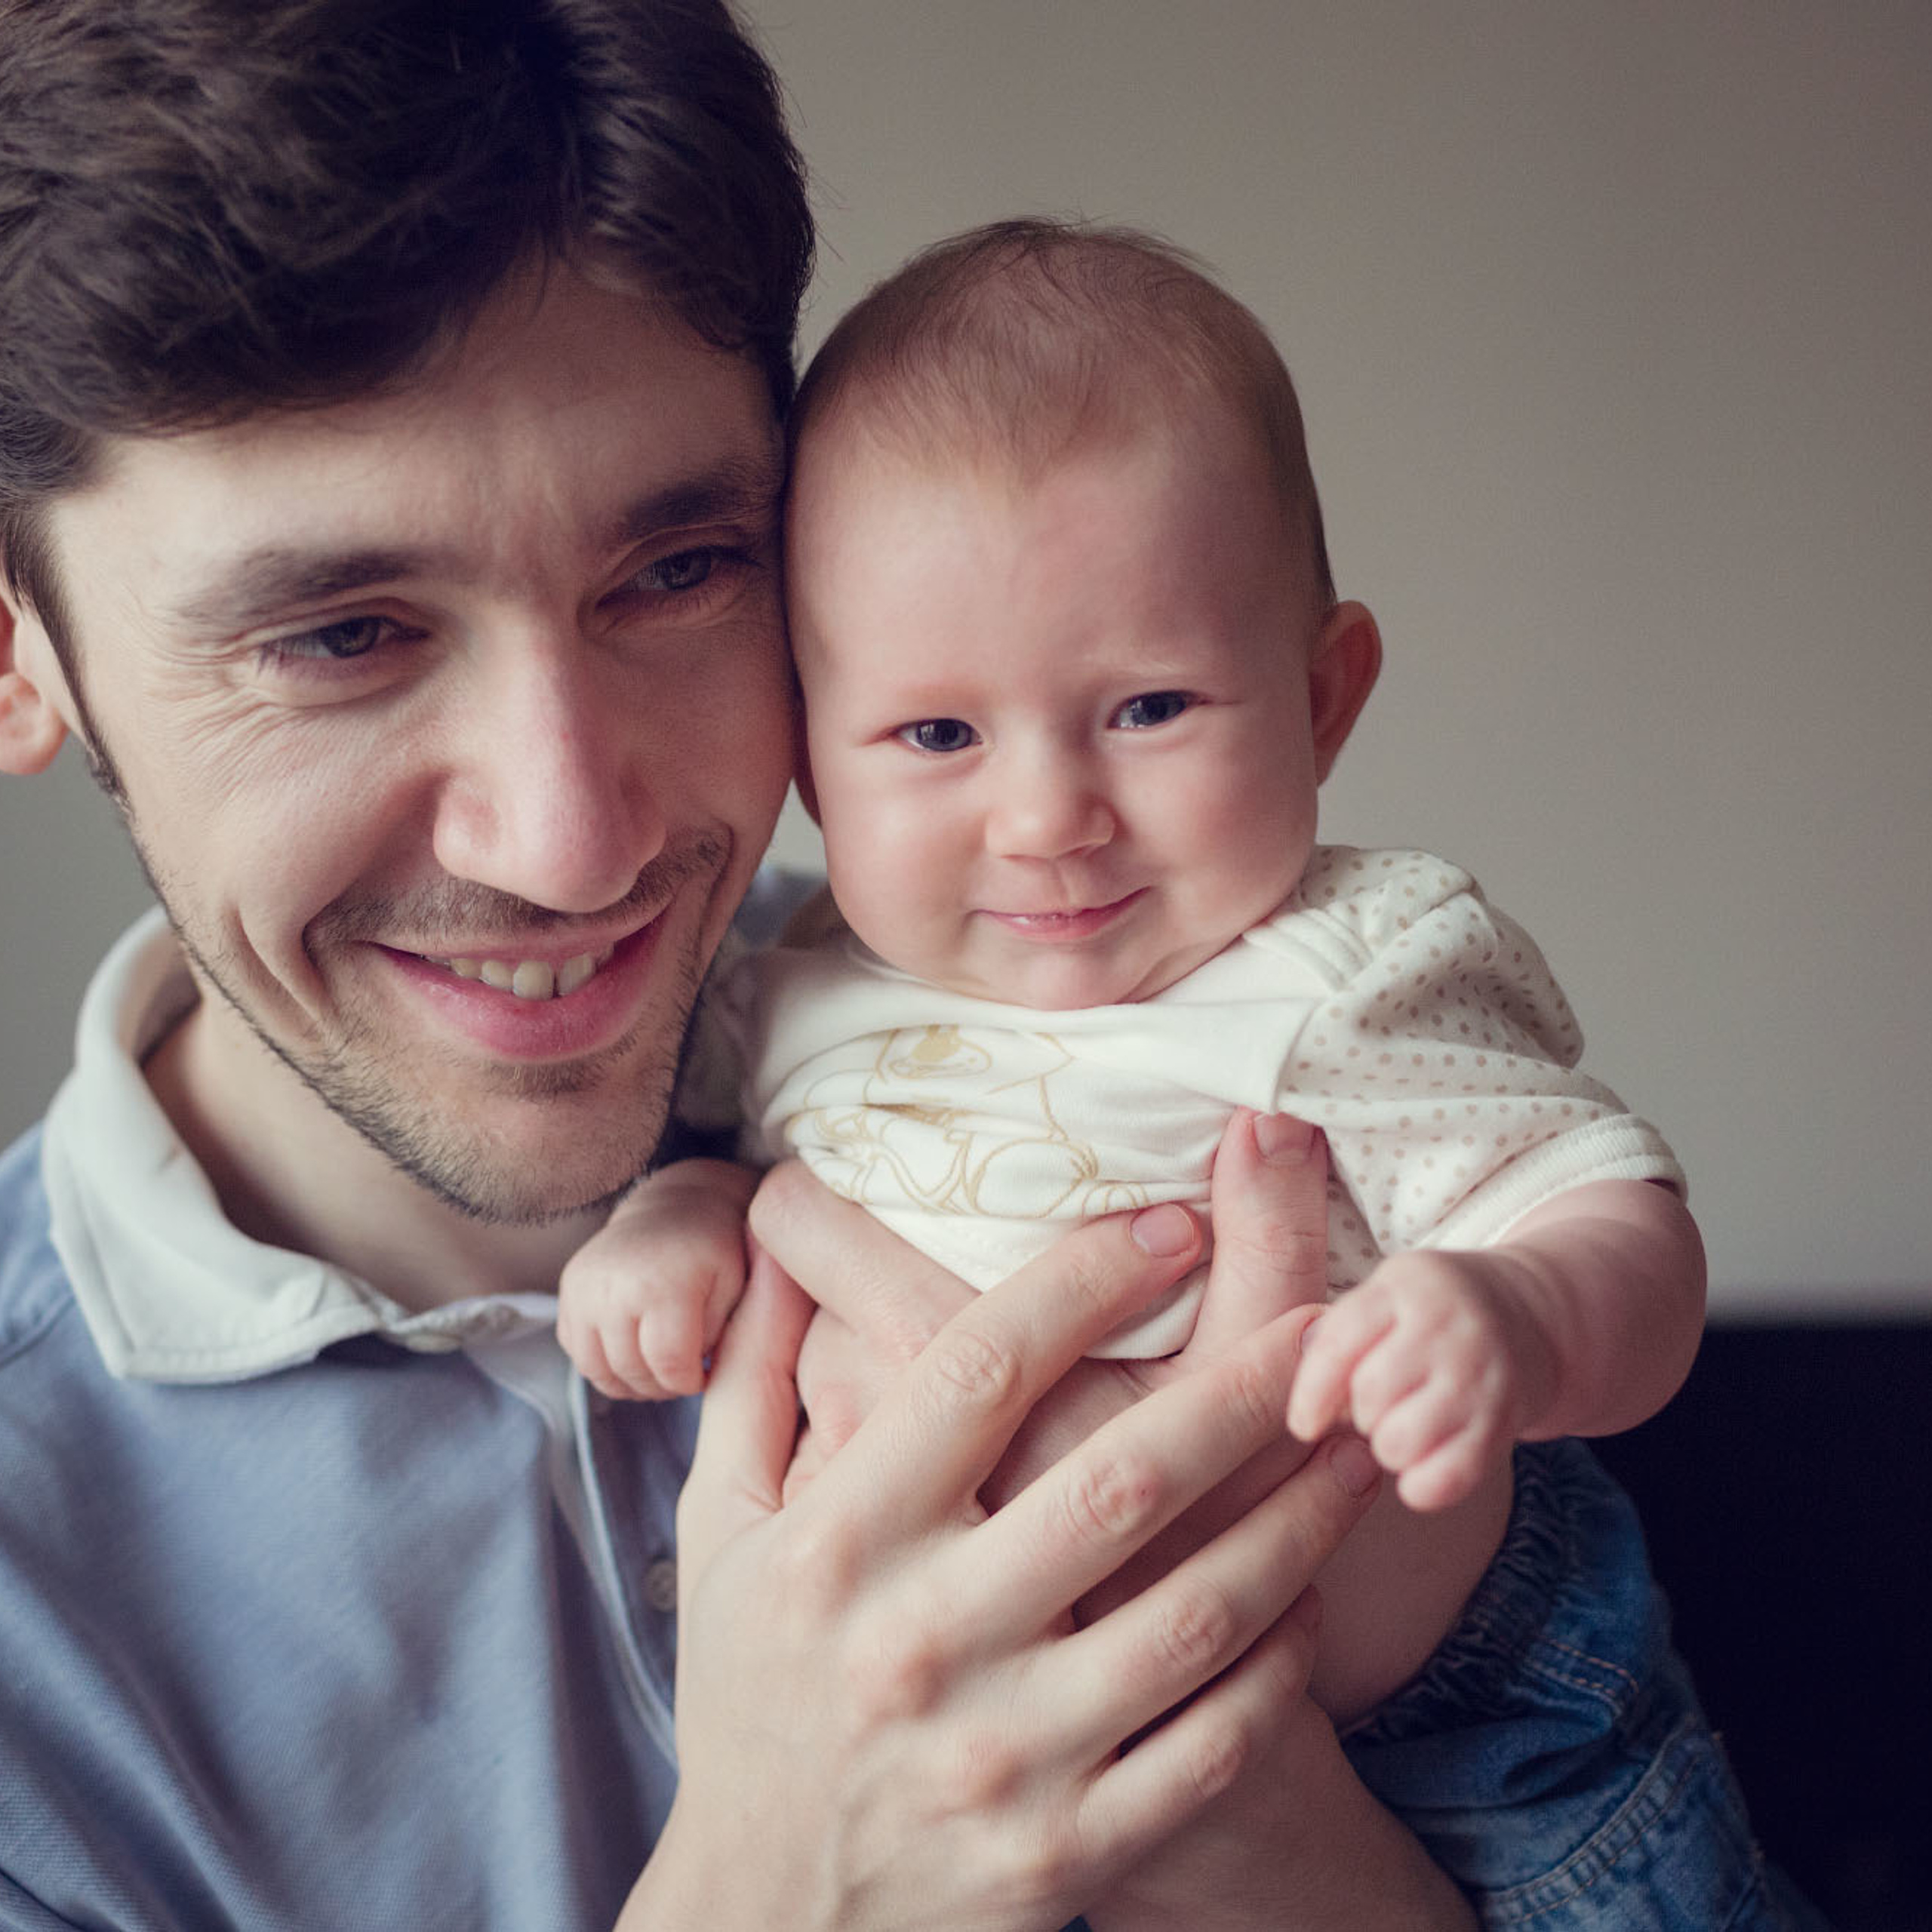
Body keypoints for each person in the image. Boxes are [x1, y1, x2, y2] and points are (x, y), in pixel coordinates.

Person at [0, 4, 1481, 1929]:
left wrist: (1248, 1815)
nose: (572, 838)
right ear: (22, 653)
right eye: (344, 633)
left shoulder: (1154, 1053)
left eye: (679, 568)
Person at [561, 220, 1818, 1924]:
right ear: (805, 754)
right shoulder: (790, 998)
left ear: (1319, 697)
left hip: (1458, 1747)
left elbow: (1618, 1219)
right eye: (936, 734)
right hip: (953, 1769)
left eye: (1147, 706)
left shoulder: (1339, 970)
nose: (1045, 816)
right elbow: (744, 1175)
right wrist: (681, 1217)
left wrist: (1512, 1317)